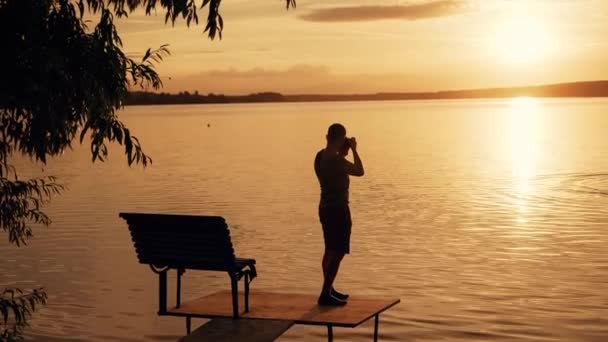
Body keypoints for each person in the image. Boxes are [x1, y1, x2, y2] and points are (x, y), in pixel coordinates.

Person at [314, 123, 364, 306]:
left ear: (327, 136)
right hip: (339, 210)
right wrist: (354, 150)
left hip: (324, 207)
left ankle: (329, 288)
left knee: (329, 249)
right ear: (341, 139)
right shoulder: (338, 161)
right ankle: (325, 293)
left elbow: (331, 170)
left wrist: (343, 151)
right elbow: (360, 171)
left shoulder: (319, 157)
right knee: (338, 251)